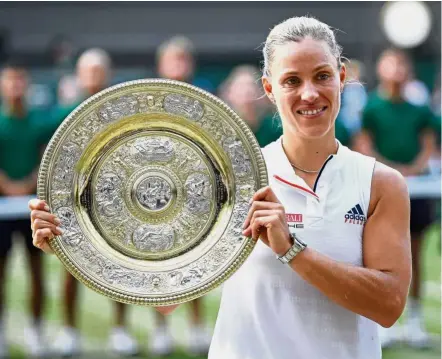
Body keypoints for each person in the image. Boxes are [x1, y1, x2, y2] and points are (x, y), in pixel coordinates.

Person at [30, 16, 412, 359]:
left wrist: (291, 250)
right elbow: (167, 300)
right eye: (291, 80)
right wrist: (73, 246)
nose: (309, 93)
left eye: (322, 75)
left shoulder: (380, 183)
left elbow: (389, 305)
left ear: (342, 76)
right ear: (269, 87)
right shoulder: (230, 178)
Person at [50, 48, 139, 357]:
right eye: (88, 72)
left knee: (120, 267)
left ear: (108, 75)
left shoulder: (122, 115)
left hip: (114, 204)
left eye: (98, 71)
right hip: (73, 204)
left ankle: (120, 330)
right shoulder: (64, 115)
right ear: (78, 76)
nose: (93, 78)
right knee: (70, 270)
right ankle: (68, 331)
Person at [354, 48, 436, 349]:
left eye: (402, 63)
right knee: (377, 254)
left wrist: (412, 171)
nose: (397, 69)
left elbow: (429, 144)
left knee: (414, 254)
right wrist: (392, 173)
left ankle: (414, 321)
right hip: (381, 190)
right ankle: (382, 324)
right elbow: (363, 143)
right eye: (391, 63)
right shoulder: (371, 108)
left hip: (418, 190)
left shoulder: (420, 110)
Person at [152, 35, 213, 356]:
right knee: (157, 262)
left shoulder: (204, 102)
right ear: (161, 66)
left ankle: (196, 325)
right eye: (172, 59)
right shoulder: (149, 100)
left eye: (183, 59)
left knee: (195, 261)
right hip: (156, 191)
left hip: (193, 192)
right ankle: (160, 329)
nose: (178, 66)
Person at [0, 58, 54, 357]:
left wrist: (31, 180)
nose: (15, 86)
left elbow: (49, 151)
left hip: (33, 206)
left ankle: (35, 331)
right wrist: (7, 185)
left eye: (20, 80)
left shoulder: (38, 120)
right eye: (10, 80)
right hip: (1, 209)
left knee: (37, 271)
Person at [218, 64, 282, 147]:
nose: (247, 91)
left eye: (251, 85)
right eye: (241, 86)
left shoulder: (275, 127)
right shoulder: (222, 129)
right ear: (229, 93)